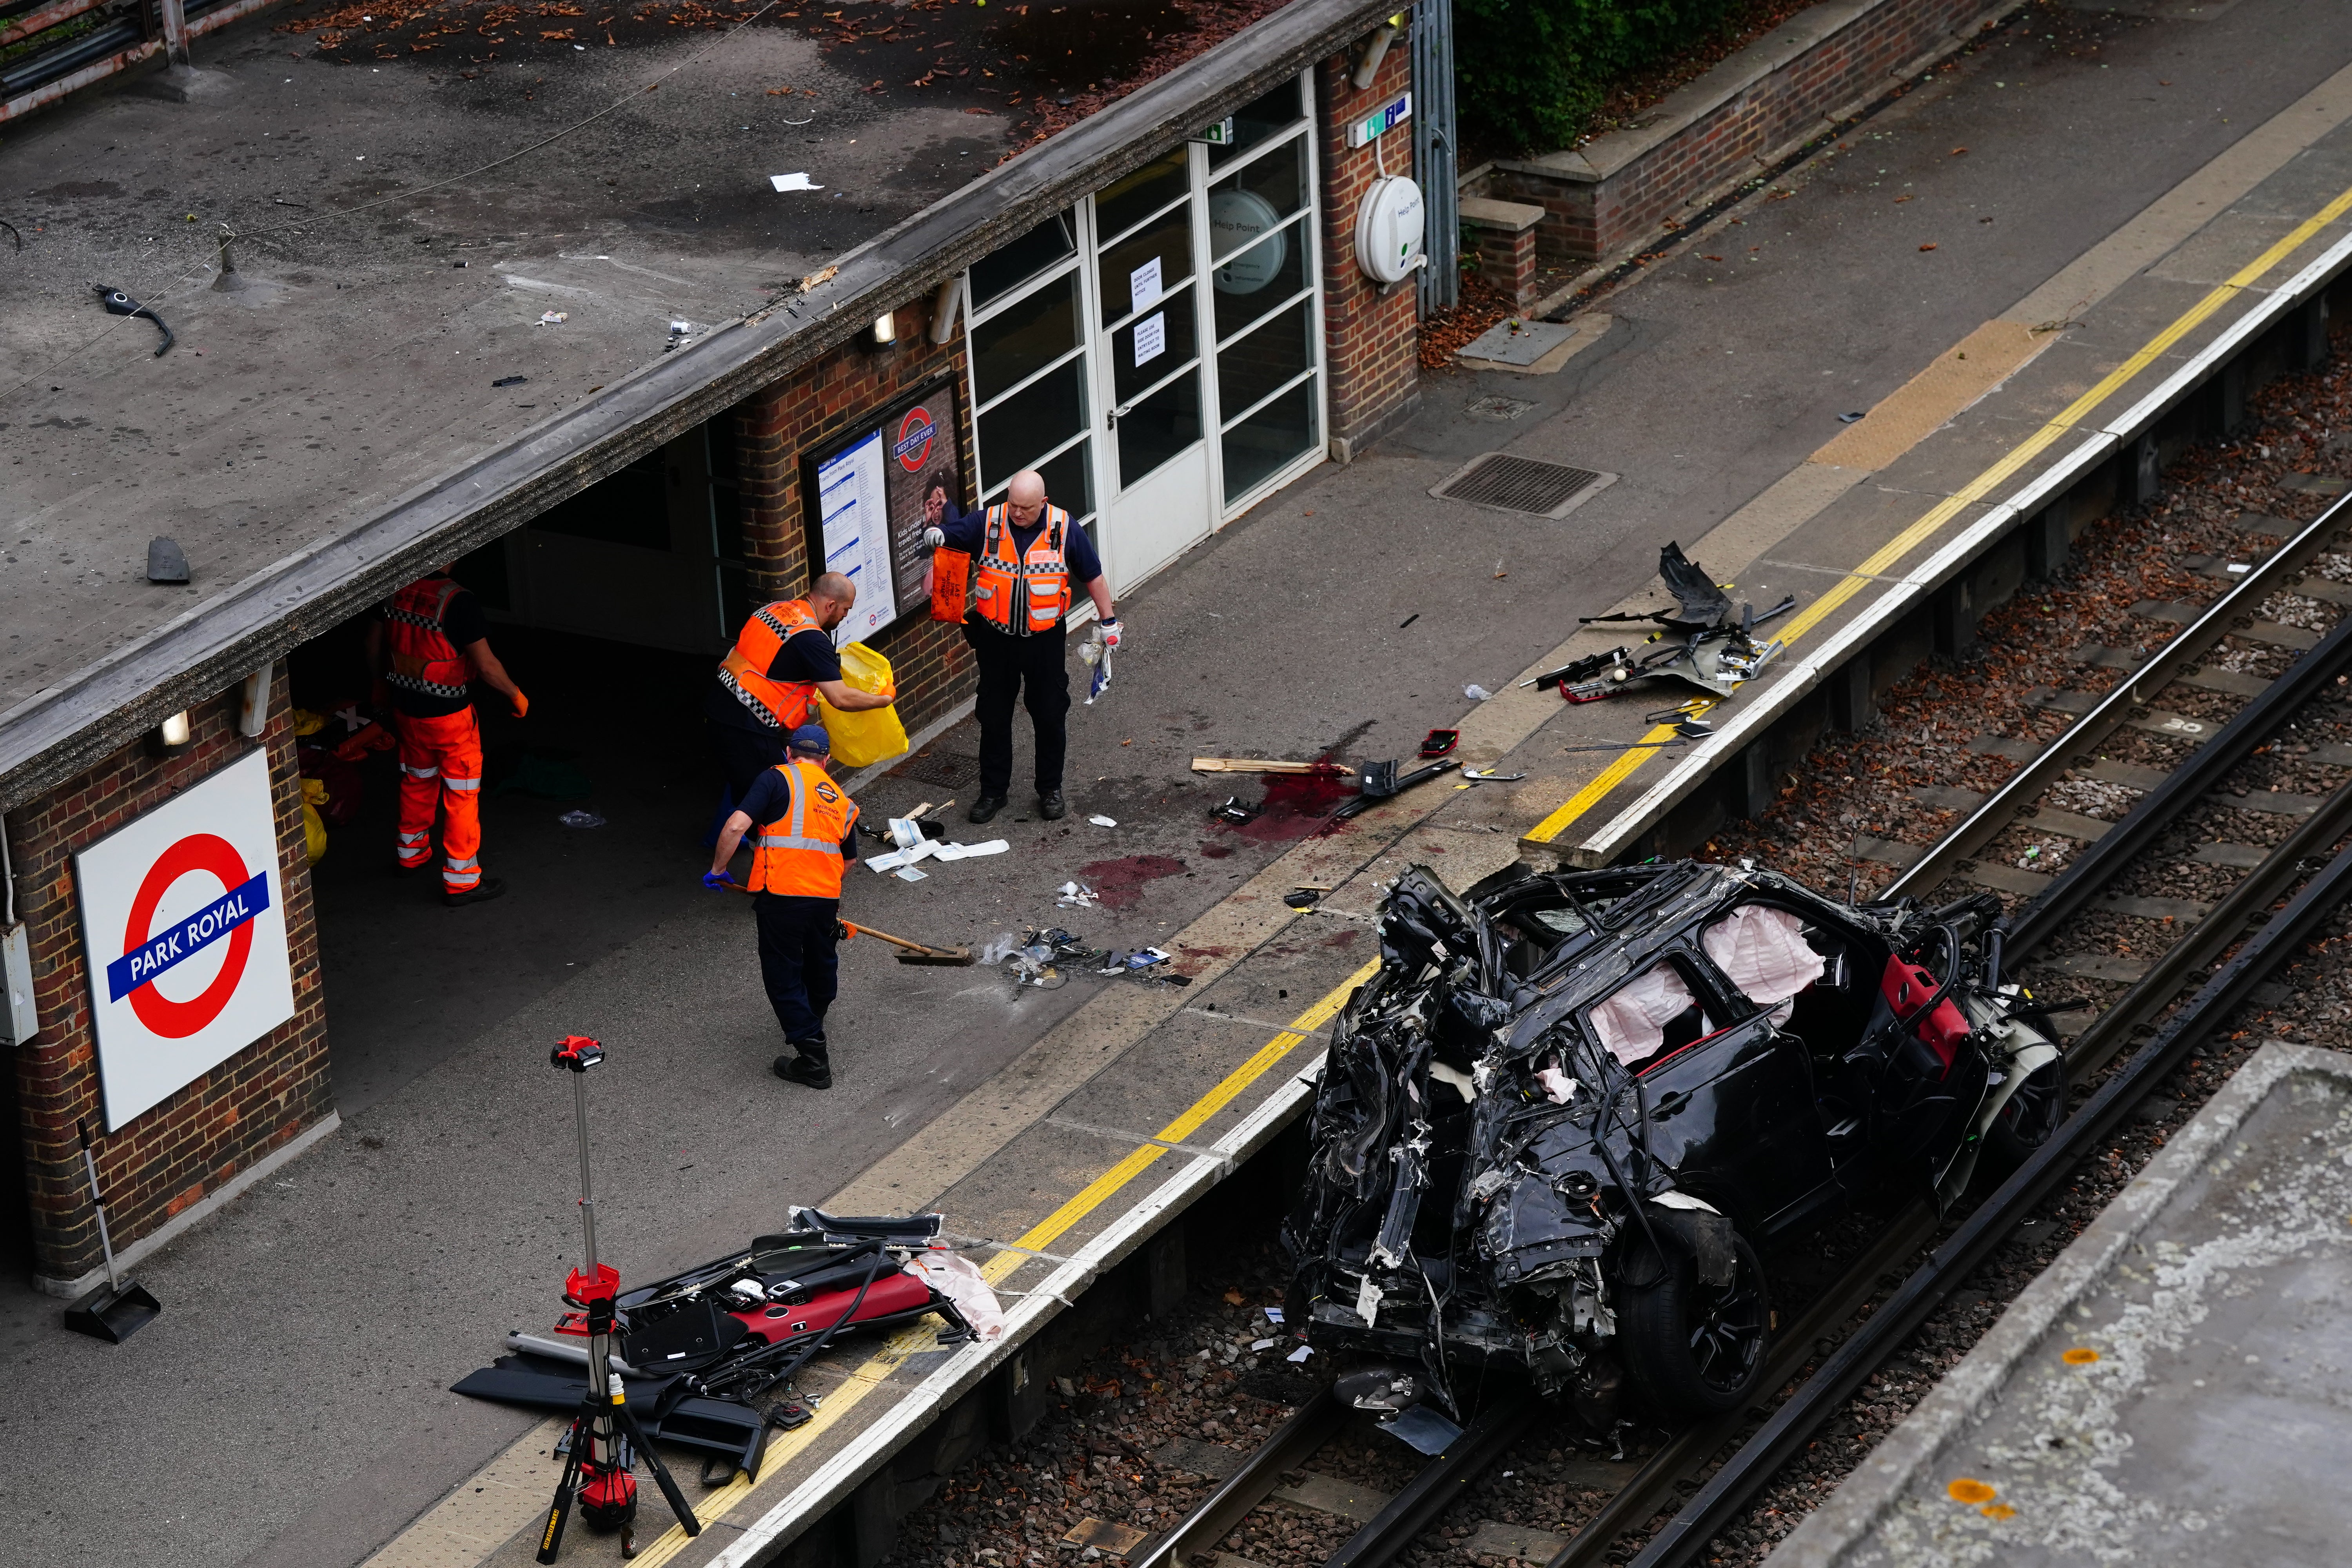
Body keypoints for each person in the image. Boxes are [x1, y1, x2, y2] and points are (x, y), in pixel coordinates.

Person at [923, 469, 1120, 824]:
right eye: (1013, 504)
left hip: (1044, 641)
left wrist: (1107, 622)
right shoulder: (989, 522)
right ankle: (993, 793)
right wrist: (938, 535)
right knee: (994, 715)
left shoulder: (1064, 528)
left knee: (1049, 714)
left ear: (1043, 503)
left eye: (1026, 508)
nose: (1017, 513)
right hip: (996, 639)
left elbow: (1092, 574)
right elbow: (953, 534)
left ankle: (1050, 790)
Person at [705, 725, 861, 1089]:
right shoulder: (842, 799)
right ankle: (814, 1016)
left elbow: (734, 827)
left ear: (789, 754)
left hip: (781, 896)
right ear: (827, 760)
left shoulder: (776, 779)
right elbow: (848, 862)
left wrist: (718, 870)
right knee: (821, 960)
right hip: (824, 899)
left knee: (783, 973)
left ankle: (813, 1059)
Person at [365, 566, 527, 907]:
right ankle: (462, 882)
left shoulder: (393, 588)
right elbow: (487, 667)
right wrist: (515, 695)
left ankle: (411, 856)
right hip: (450, 718)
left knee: (417, 781)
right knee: (462, 793)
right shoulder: (458, 601)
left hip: (407, 712)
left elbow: (373, 644)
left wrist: (379, 685)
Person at [704, 572, 898, 806]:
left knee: (743, 784)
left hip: (721, 703)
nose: (846, 616)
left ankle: (724, 837)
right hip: (748, 725)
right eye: (845, 609)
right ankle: (756, 841)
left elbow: (774, 658)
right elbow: (840, 698)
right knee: (771, 801)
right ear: (831, 605)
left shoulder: (776, 609)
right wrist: (885, 699)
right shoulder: (812, 640)